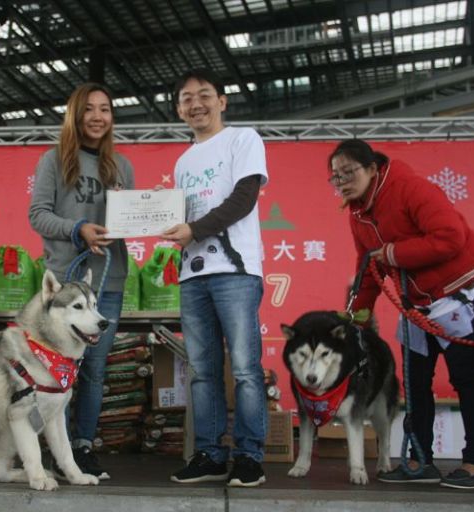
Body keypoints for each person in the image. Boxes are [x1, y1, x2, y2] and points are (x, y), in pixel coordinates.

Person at [329, 139, 474, 489]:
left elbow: (450, 237)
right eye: (336, 176)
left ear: (372, 167)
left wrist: (393, 253)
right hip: (418, 303)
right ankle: (420, 458)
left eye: (349, 171)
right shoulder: (358, 212)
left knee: (467, 378)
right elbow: (368, 267)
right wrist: (357, 317)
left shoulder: (410, 188)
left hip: (460, 292)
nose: (343, 180)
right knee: (415, 382)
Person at [162, 68, 269, 488]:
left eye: (204, 95)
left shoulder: (243, 139)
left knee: (245, 368)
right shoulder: (183, 160)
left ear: (222, 101)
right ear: (178, 109)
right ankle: (208, 453)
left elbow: (244, 199)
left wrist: (193, 229)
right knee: (202, 371)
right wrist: (170, 225)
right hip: (193, 275)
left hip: (236, 272)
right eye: (187, 98)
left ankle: (249, 456)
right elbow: (180, 217)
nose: (196, 104)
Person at [29, 82, 135, 480]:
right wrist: (79, 230)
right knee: (58, 369)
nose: (97, 116)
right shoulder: (53, 160)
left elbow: (128, 223)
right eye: (89, 109)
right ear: (75, 114)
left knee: (94, 369)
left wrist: (148, 208)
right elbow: (37, 214)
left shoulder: (121, 165)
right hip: (67, 286)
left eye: (105, 109)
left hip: (109, 281)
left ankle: (82, 447)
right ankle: (53, 452)